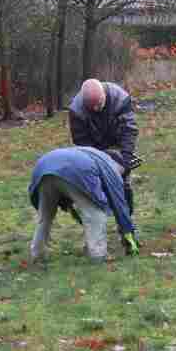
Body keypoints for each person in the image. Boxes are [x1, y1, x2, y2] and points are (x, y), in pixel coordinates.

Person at [29, 146, 139, 263]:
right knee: (95, 214)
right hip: (74, 169)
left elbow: (70, 196)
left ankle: (38, 254)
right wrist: (127, 232)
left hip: (44, 166)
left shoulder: (91, 154)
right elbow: (120, 205)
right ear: (119, 165)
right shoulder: (111, 167)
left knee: (45, 216)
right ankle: (98, 255)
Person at [67, 79, 139, 214]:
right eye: (91, 107)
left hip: (117, 141)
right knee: (96, 181)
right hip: (95, 146)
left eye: (99, 104)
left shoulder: (120, 98)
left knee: (122, 182)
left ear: (104, 95)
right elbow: (81, 142)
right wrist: (99, 161)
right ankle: (93, 213)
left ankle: (126, 219)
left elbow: (128, 130)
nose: (96, 109)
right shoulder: (76, 111)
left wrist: (126, 157)